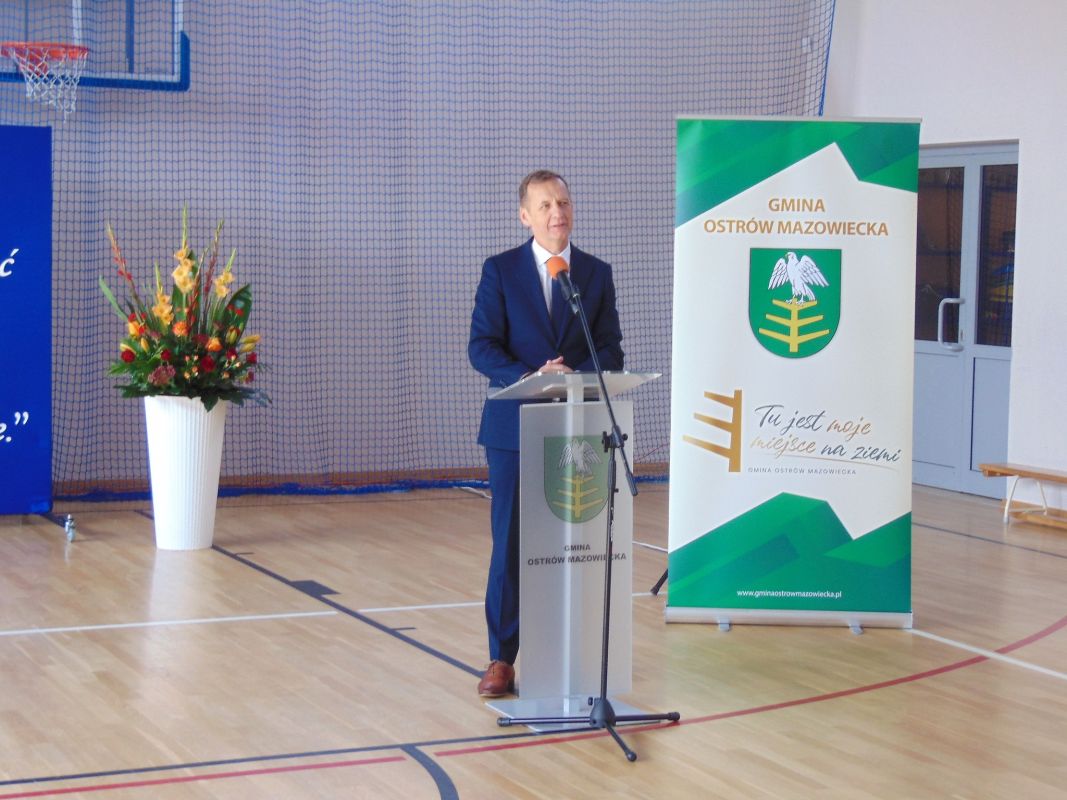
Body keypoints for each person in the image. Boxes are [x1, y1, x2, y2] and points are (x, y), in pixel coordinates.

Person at [468, 170, 624, 697]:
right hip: (514, 429)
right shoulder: (500, 270)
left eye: (563, 202)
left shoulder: (596, 274)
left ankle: (571, 651)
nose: (558, 212)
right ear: (525, 216)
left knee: (576, 544)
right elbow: (481, 347)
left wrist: (575, 376)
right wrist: (531, 376)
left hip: (578, 428)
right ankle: (501, 658)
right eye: (545, 205)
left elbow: (611, 348)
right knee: (511, 545)